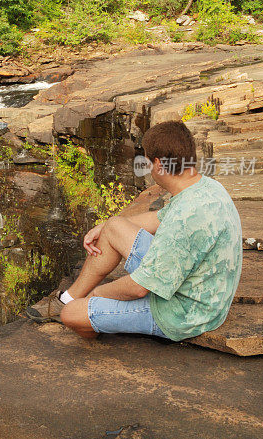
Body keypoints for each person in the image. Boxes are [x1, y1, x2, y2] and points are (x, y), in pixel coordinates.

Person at [26, 121, 243, 342]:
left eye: (147, 162)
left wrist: (97, 295)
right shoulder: (204, 187)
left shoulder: (185, 218)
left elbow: (139, 288)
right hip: (195, 287)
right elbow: (158, 218)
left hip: (184, 313)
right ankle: (68, 297)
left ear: (158, 164)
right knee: (113, 226)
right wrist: (104, 227)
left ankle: (93, 318)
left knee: (72, 314)